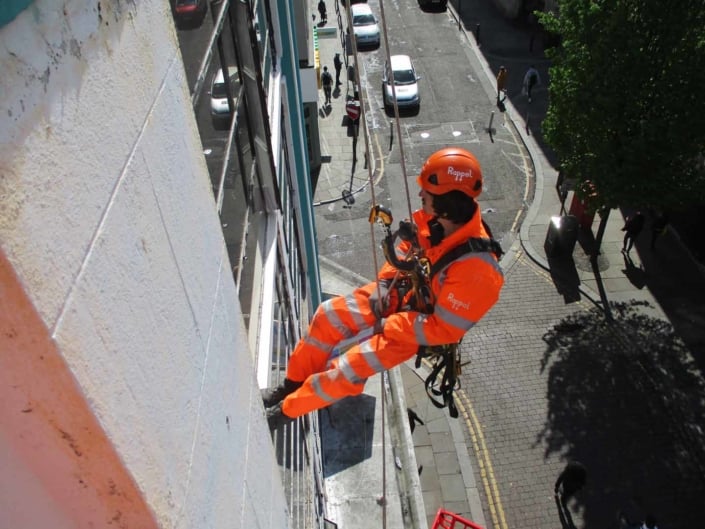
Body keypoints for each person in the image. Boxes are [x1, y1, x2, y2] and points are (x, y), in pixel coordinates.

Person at [262, 148, 505, 428]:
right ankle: (292, 384)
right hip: (400, 294)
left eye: (427, 192)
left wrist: (392, 323)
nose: (420, 196)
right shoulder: (436, 220)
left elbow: (443, 329)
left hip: (415, 327)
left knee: (344, 370)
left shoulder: (479, 273)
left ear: (447, 204)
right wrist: (385, 282)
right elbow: (405, 246)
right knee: (328, 315)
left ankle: (285, 412)